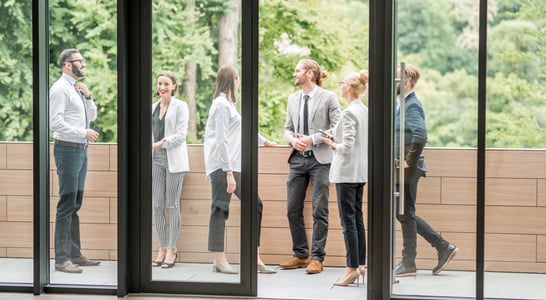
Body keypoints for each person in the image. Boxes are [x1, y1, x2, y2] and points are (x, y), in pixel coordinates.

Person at [204, 65, 277, 274]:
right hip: (222, 166)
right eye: (237, 78)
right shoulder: (220, 105)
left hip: (233, 164)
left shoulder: (229, 105)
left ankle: (254, 257)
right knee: (220, 209)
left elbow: (242, 129)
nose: (239, 82)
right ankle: (218, 258)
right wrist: (228, 173)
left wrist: (264, 142)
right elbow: (220, 140)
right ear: (232, 80)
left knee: (256, 205)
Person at [394, 64, 458, 277]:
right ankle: (442, 247)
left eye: (394, 79)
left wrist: (407, 161)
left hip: (408, 170)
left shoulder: (412, 105)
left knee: (405, 213)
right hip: (401, 169)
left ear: (405, 82)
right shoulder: (401, 103)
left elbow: (420, 135)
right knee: (403, 213)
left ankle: (410, 262)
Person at [280, 59, 340, 274]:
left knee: (319, 210)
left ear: (310, 73)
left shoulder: (329, 97)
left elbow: (337, 127)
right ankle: (300, 254)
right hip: (297, 160)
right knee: (292, 209)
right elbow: (287, 129)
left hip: (320, 161)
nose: (294, 74)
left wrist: (312, 139)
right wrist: (292, 141)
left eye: (297, 71)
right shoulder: (292, 99)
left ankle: (317, 257)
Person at [49, 48, 101, 273]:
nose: (84, 65)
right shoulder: (60, 89)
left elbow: (93, 117)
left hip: (81, 150)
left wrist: (88, 97)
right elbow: (55, 124)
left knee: (75, 204)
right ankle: (61, 259)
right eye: (81, 61)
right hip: (68, 150)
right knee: (66, 204)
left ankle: (74, 253)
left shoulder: (77, 89)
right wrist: (83, 132)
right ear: (68, 65)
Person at [321, 70, 369, 286]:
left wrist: (331, 143)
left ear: (349, 87)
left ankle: (351, 268)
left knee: (347, 221)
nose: (340, 86)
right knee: (357, 220)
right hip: (360, 173)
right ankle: (360, 265)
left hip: (347, 173)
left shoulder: (349, 113)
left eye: (342, 83)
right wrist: (336, 137)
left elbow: (347, 147)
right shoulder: (364, 111)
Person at [151, 71, 189, 269]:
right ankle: (162, 247)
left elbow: (181, 135)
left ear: (174, 86)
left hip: (174, 160)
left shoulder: (181, 106)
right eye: (159, 83)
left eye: (166, 83)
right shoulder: (152, 108)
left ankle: (172, 249)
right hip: (155, 160)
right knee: (157, 205)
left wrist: (159, 144)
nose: (162, 87)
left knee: (172, 205)